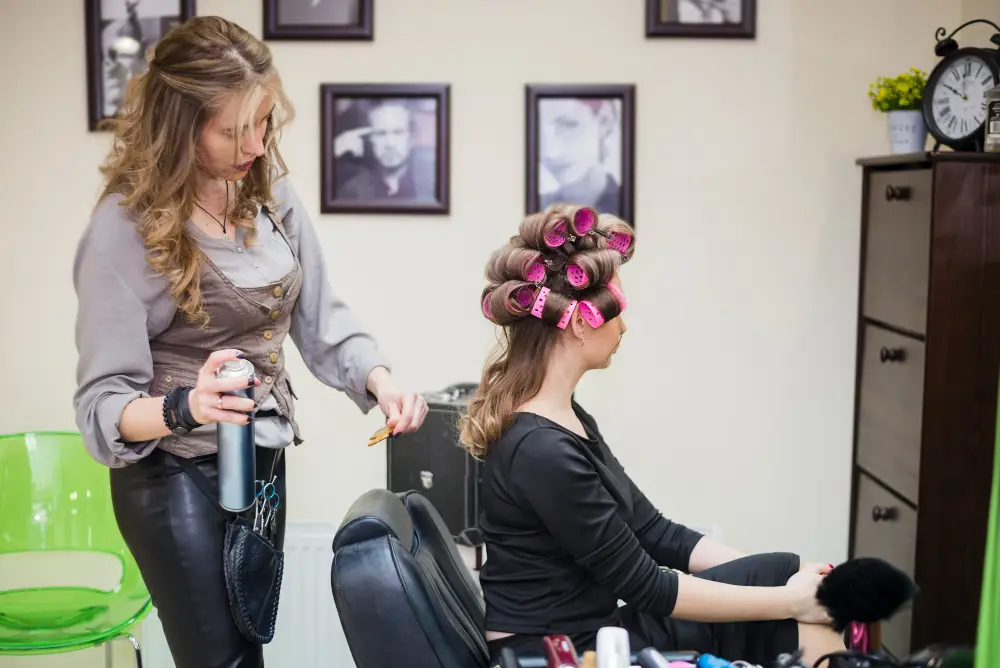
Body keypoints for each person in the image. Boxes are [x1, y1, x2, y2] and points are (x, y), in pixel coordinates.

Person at [73, 16, 428, 668]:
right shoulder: (121, 231)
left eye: (264, 122)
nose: (258, 145)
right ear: (180, 126)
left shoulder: (268, 194)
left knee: (250, 647)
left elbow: (323, 320)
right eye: (235, 131)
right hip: (172, 476)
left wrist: (380, 379)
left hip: (260, 458)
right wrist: (188, 405)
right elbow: (102, 410)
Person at [458, 205, 848, 668]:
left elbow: (655, 533)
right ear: (581, 322)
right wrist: (787, 601)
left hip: (595, 630)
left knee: (791, 572)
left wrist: (782, 583)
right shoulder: (541, 450)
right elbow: (647, 585)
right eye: (617, 311)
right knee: (802, 603)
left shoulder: (564, 420)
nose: (624, 326)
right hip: (557, 654)